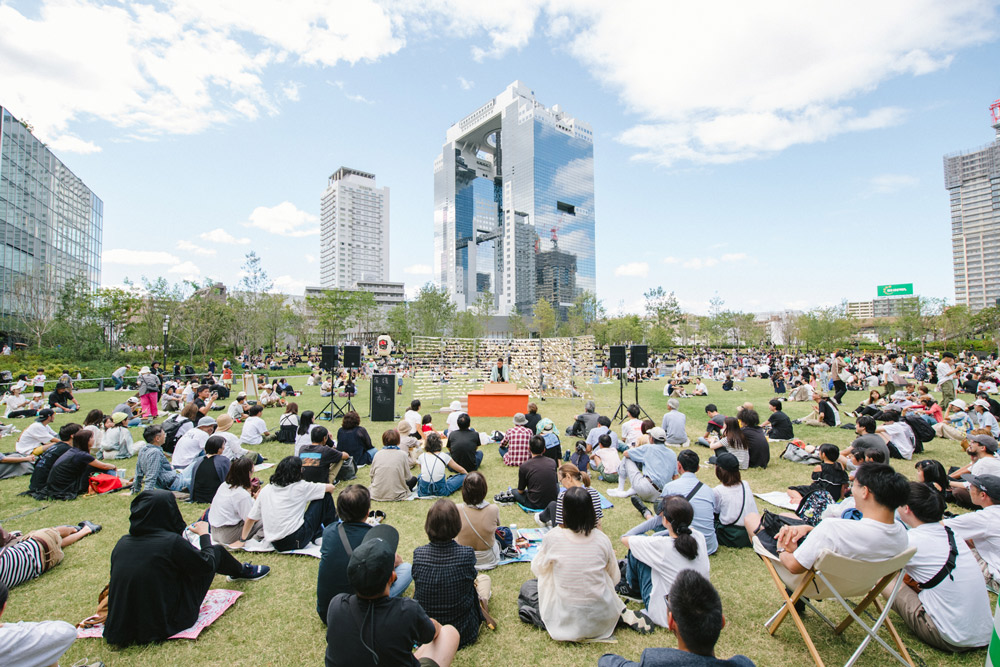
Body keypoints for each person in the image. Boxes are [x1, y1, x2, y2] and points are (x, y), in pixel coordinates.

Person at [104, 490, 269, 646]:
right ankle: (243, 571)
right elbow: (206, 565)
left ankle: (241, 570)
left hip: (120, 628)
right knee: (216, 552)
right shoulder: (170, 542)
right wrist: (205, 535)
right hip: (164, 624)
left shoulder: (122, 543)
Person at [522, 486, 652, 641]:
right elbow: (614, 578)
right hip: (601, 616)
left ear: (564, 512)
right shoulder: (602, 539)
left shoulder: (553, 537)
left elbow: (538, 568)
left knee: (529, 587)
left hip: (565, 618)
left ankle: (550, 619)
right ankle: (616, 614)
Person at [324, 523, 459, 667]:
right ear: (392, 577)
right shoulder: (407, 611)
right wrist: (435, 625)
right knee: (449, 632)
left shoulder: (336, 606)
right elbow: (431, 634)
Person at [745, 463, 910, 575]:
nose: (851, 491)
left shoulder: (833, 527)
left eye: (855, 486)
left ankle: (793, 595)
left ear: (865, 492)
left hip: (812, 582)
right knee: (787, 517)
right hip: (855, 584)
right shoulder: (901, 533)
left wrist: (783, 548)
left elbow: (794, 567)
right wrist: (811, 530)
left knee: (752, 519)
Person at [888, 481, 993, 653]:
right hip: (983, 633)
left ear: (906, 508)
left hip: (952, 638)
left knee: (881, 577)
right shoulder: (953, 534)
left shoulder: (912, 541)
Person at [598, 570, 756, 667]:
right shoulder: (743, 664)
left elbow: (607, 662)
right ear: (722, 622)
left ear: (671, 621)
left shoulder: (654, 662)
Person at [316, 485, 413, 623]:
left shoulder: (329, 531)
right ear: (367, 512)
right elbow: (395, 561)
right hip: (359, 612)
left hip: (328, 612)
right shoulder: (374, 537)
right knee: (407, 569)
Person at [619, 495, 710, 628]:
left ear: (665, 519)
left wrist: (655, 520)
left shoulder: (661, 546)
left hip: (667, 614)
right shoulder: (699, 537)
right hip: (700, 611)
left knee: (638, 546)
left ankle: (634, 590)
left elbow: (625, 538)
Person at [412, 499, 484, 648]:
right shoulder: (466, 554)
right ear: (456, 524)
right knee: (484, 580)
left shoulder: (419, 554)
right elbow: (472, 580)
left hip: (426, 632)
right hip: (463, 631)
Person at [236, 456, 337, 552]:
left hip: (276, 543)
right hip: (296, 540)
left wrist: (242, 539)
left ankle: (318, 535)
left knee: (310, 508)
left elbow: (251, 518)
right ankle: (334, 533)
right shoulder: (300, 487)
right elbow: (330, 488)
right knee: (324, 496)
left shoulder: (266, 489)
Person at [629, 449, 719, 556]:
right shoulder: (709, 490)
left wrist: (629, 535)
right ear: (698, 468)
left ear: (679, 466)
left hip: (683, 541)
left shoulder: (670, 487)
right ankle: (646, 512)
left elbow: (660, 515)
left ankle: (646, 513)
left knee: (661, 521)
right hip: (708, 545)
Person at [0, 520, 101, 591]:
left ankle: (85, 530)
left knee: (57, 545)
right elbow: (5, 539)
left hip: (46, 564)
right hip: (40, 542)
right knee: (53, 532)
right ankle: (77, 529)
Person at [0, 580, 78, 667]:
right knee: (44, 654)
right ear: (4, 607)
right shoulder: (8, 638)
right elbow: (67, 631)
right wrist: (7, 626)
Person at [944, 473, 1000, 592]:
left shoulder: (985, 518)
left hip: (995, 576)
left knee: (948, 546)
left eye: (972, 487)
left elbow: (941, 527)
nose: (969, 488)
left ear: (983, 495)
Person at [46, 429, 117, 499]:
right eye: (91, 437)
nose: (93, 439)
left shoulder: (73, 451)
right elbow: (103, 466)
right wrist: (113, 466)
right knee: (100, 471)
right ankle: (115, 481)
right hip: (67, 488)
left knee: (94, 469)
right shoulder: (81, 455)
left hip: (57, 487)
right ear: (86, 440)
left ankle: (114, 480)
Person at [609, 432, 678, 501]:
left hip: (645, 490)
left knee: (626, 458)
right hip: (661, 495)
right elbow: (675, 477)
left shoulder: (648, 447)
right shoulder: (672, 453)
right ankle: (632, 490)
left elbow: (626, 453)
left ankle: (620, 489)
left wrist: (633, 448)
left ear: (651, 439)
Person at [208, 457, 262, 544]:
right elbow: (250, 518)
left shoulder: (224, 485)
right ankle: (252, 541)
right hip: (228, 534)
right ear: (248, 473)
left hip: (214, 531)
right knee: (266, 520)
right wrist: (258, 502)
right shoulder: (241, 494)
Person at [456, 472, 501, 570]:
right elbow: (497, 526)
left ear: (464, 491)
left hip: (463, 558)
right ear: (484, 490)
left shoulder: (457, 509)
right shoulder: (493, 509)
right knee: (504, 531)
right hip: (488, 559)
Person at [711, 452, 757, 548]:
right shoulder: (745, 484)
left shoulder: (718, 491)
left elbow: (714, 511)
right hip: (751, 530)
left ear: (719, 470)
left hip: (731, 535)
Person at [536, 463, 602, 528]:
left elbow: (562, 526)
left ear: (568, 477)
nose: (562, 485)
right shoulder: (594, 493)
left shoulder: (564, 496)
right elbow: (598, 522)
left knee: (553, 505)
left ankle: (541, 518)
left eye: (561, 481)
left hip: (571, 533)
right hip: (589, 531)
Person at [947, 434, 1000, 508]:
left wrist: (948, 482)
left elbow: (969, 485)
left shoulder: (983, 463)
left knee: (958, 492)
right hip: (992, 492)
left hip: (993, 498)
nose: (970, 443)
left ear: (982, 448)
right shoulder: (992, 458)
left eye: (974, 442)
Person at [133, 424, 183, 492]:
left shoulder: (143, 449)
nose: (165, 436)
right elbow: (151, 476)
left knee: (194, 465)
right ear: (157, 438)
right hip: (175, 483)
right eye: (164, 434)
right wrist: (147, 495)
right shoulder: (155, 452)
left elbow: (138, 473)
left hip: (173, 480)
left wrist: (135, 490)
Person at [370, 428, 417, 501]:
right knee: (414, 479)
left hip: (377, 493)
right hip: (396, 493)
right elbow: (408, 477)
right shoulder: (403, 454)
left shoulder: (377, 454)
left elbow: (372, 475)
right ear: (398, 441)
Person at [417, 433, 467, 497]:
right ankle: (451, 479)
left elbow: (422, 470)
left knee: (420, 476)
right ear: (439, 443)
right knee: (464, 476)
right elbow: (461, 470)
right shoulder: (444, 456)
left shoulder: (421, 456)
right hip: (441, 491)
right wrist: (467, 475)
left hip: (424, 492)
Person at [187, 435, 231, 503]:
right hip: (214, 496)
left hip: (198, 496)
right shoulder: (223, 461)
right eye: (223, 445)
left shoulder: (198, 461)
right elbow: (229, 479)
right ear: (219, 448)